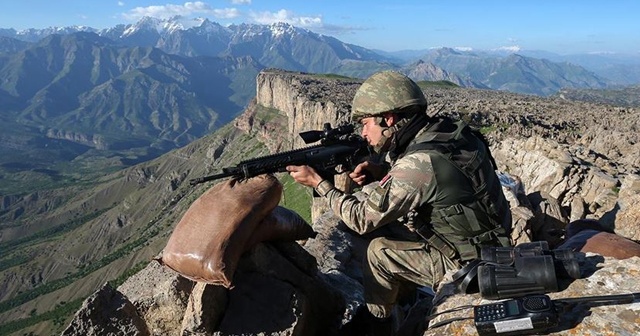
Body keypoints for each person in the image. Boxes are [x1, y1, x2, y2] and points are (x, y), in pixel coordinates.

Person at [286, 71, 512, 335]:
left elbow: (360, 219)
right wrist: (382, 174)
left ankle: (377, 324)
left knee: (378, 252)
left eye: (367, 123)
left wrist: (319, 184)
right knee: (390, 228)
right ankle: (403, 295)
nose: (363, 132)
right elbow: (441, 184)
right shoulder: (448, 133)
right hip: (490, 241)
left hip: (470, 264)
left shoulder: (420, 163)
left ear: (389, 119)